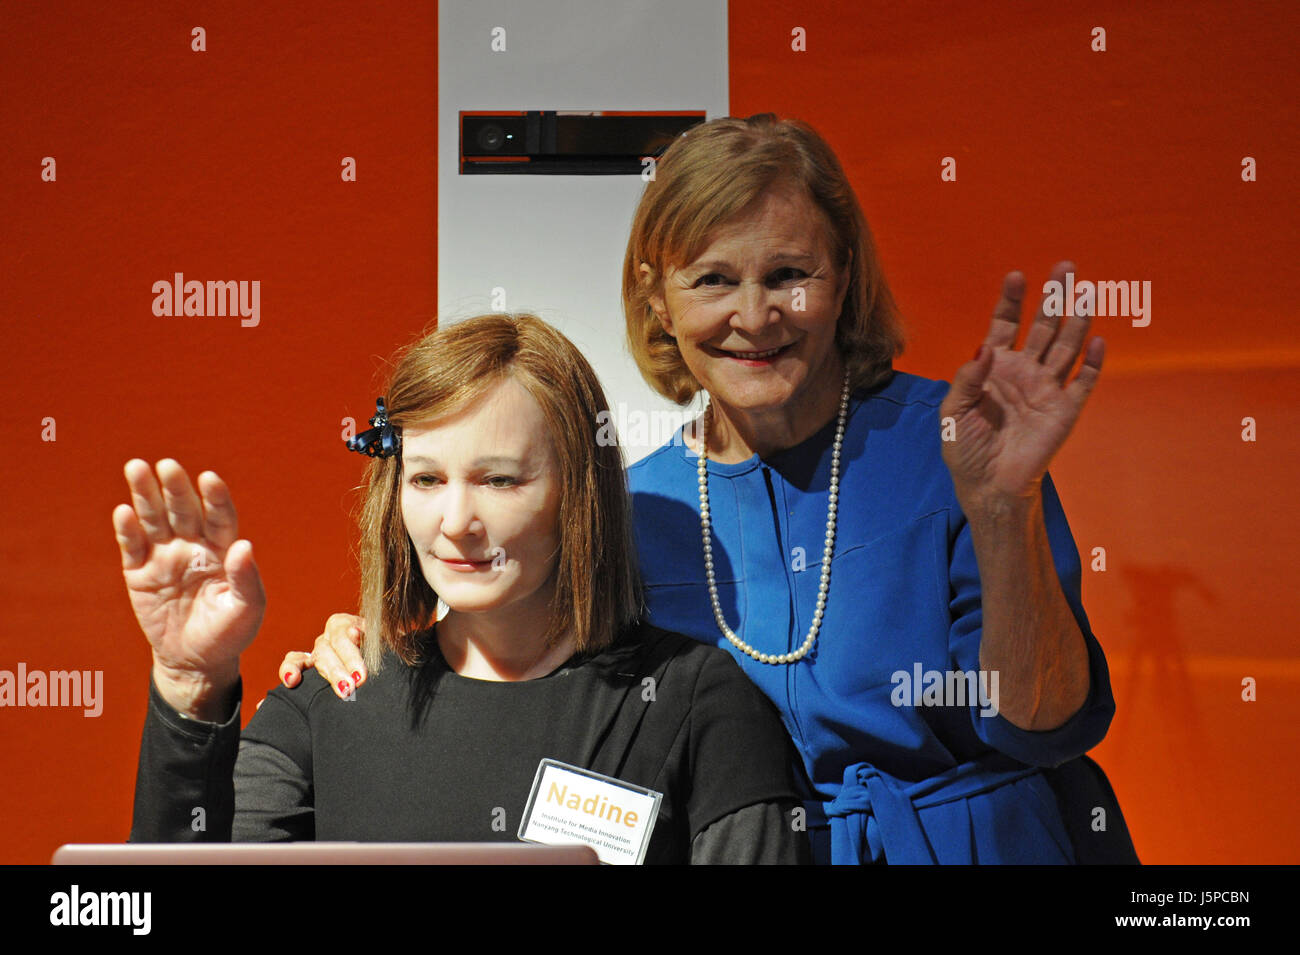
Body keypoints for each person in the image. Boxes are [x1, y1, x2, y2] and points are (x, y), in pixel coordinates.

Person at [282, 114, 1138, 865]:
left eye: (789, 274)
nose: (756, 315)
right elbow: (526, 676)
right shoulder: (631, 507)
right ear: (657, 300)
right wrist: (363, 653)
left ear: (842, 277)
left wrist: (1004, 509)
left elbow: (1045, 721)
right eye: (714, 279)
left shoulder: (959, 448)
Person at [121, 312, 810, 864]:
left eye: (499, 479)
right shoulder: (329, 699)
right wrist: (188, 680)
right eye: (425, 479)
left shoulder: (694, 701)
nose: (454, 523)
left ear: (578, 493)